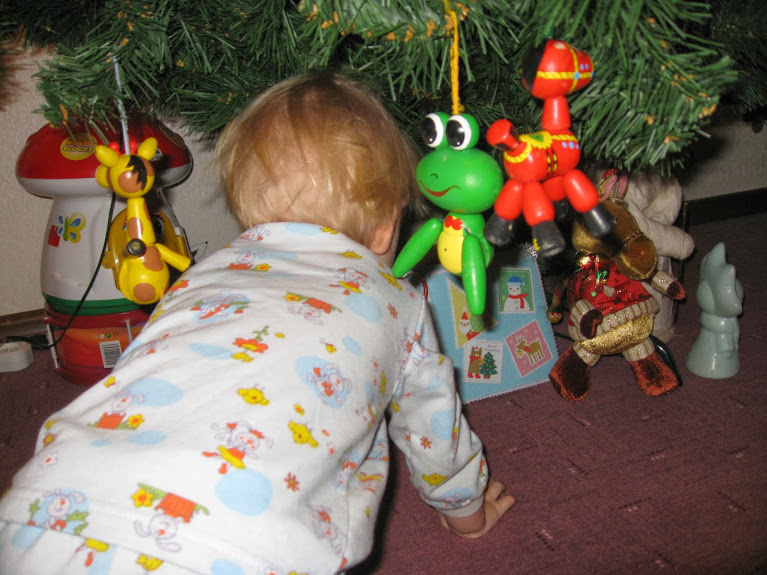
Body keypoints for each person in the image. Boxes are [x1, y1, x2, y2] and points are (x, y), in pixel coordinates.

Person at [0, 71, 514, 574]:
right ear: (385, 228)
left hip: (50, 501)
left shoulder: (200, 276)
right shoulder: (398, 300)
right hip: (249, 537)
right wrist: (466, 512)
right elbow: (433, 430)